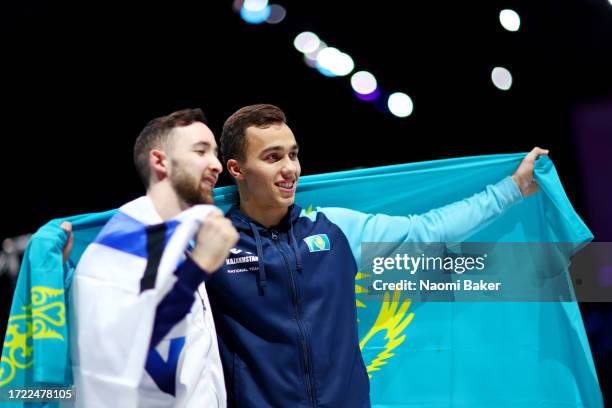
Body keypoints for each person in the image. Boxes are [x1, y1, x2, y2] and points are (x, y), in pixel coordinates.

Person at [206, 103, 548, 407]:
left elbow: (428, 230)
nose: (290, 169)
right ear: (236, 169)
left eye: (293, 154)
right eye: (272, 157)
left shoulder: (334, 229)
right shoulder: (210, 242)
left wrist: (512, 189)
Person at [68, 108, 238, 407]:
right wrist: (198, 268)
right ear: (160, 161)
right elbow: (122, 351)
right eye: (201, 152)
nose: (216, 165)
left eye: (215, 153)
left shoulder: (174, 242)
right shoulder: (125, 244)